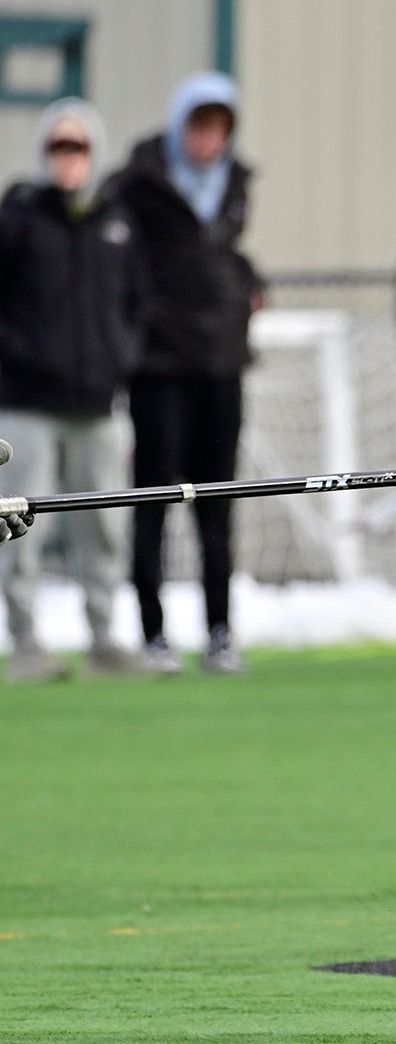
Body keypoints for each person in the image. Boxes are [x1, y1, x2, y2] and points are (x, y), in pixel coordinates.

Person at [113, 72, 263, 676]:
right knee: (155, 502)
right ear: (181, 126)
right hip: (159, 371)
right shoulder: (136, 186)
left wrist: (250, 283)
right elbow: (118, 270)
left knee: (219, 504)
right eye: (199, 126)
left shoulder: (235, 186)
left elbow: (221, 259)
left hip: (221, 368)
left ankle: (220, 632)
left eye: (220, 127)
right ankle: (153, 634)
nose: (209, 139)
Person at [0, 99, 149, 681]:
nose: (69, 157)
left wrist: (121, 358)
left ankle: (105, 639)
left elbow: (138, 302)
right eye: (58, 146)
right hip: (26, 404)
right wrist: (21, 357)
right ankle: (26, 642)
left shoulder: (118, 221)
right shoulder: (18, 218)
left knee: (104, 526)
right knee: (20, 525)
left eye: (79, 146)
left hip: (97, 405)